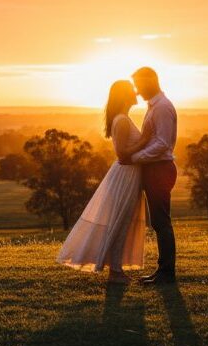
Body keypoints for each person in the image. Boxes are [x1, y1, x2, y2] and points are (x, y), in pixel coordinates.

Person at [56, 80, 153, 283]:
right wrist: (145, 140)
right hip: (125, 176)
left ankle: (116, 269)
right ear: (124, 96)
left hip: (129, 176)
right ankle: (115, 272)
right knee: (119, 222)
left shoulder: (122, 118)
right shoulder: (122, 120)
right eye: (132, 90)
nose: (136, 92)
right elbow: (123, 155)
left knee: (122, 222)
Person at [119, 66, 178, 285]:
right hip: (155, 168)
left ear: (151, 81)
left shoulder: (161, 107)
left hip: (160, 169)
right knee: (159, 222)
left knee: (162, 222)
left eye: (139, 85)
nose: (137, 90)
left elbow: (162, 144)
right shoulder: (155, 106)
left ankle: (166, 273)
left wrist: (134, 158)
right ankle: (162, 271)